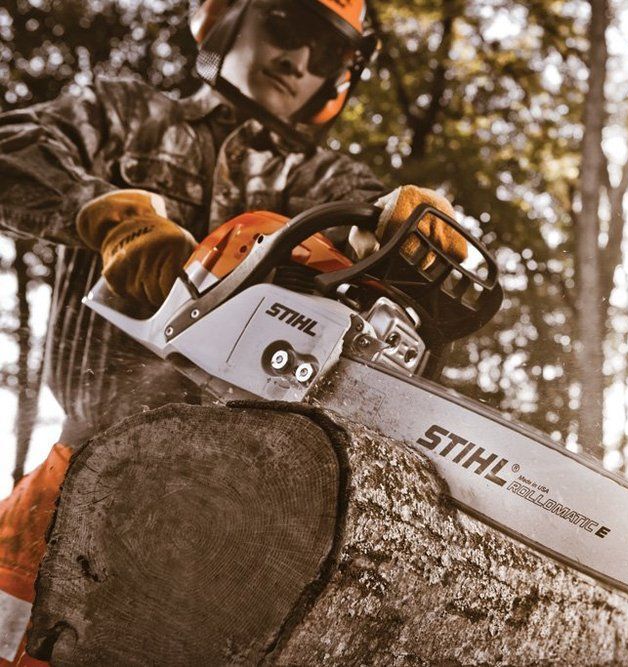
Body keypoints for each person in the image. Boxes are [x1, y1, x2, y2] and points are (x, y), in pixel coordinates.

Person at [0, 1, 465, 663]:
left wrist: (399, 222)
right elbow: (11, 148)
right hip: (74, 482)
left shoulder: (319, 182)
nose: (297, 61)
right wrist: (97, 213)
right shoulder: (129, 115)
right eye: (284, 24)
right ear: (228, 16)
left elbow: (374, 227)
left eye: (326, 54)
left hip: (239, 540)